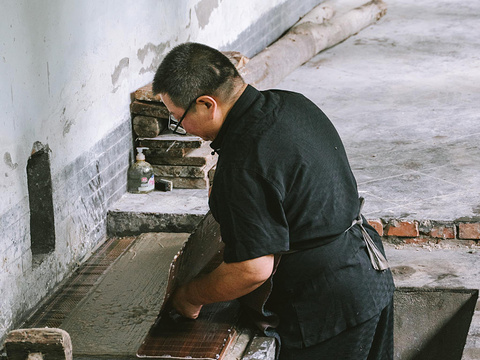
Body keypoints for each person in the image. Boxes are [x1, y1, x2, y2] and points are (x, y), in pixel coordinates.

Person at [152, 42, 395, 360]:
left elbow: (252, 269)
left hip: (328, 307)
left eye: (177, 118)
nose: (180, 128)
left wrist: (191, 295)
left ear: (206, 104)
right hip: (370, 272)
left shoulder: (243, 159)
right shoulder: (291, 104)